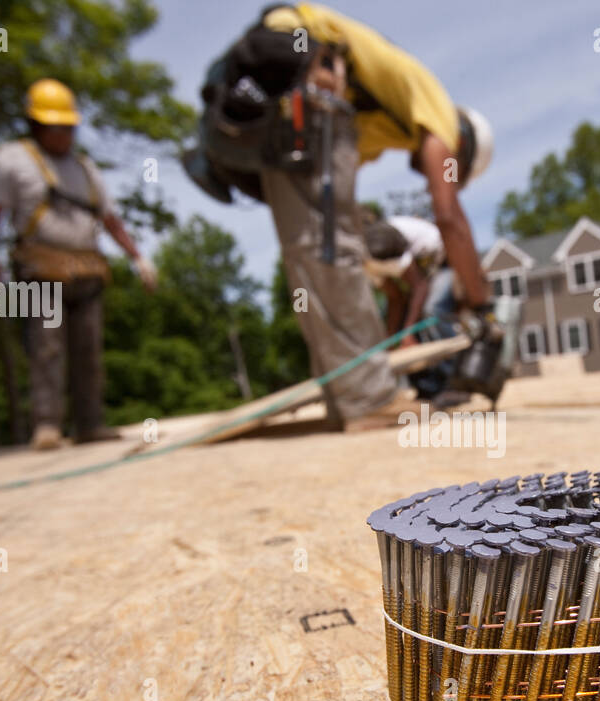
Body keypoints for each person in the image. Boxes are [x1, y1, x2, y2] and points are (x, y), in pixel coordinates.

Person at [183, 3, 494, 430]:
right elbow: (449, 216)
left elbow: (335, 199)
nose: (436, 178)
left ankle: (345, 395)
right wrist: (482, 304)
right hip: (305, 76)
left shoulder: (379, 122)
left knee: (314, 253)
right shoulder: (439, 111)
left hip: (289, 83)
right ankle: (368, 399)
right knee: (329, 251)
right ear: (463, 144)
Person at [0, 78, 158, 451]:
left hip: (86, 268)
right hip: (39, 267)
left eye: (69, 127)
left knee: (88, 350)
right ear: (36, 125)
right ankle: (46, 425)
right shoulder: (11, 160)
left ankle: (90, 423)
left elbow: (109, 218)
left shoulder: (85, 168)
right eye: (56, 127)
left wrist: (137, 256)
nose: (64, 135)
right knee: (46, 346)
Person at [362, 213, 465, 405]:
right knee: (400, 322)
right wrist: (392, 338)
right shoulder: (365, 264)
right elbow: (396, 299)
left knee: (432, 311)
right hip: (422, 271)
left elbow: (420, 287)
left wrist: (408, 332)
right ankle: (428, 389)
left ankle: (457, 384)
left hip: (445, 260)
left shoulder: (378, 244)